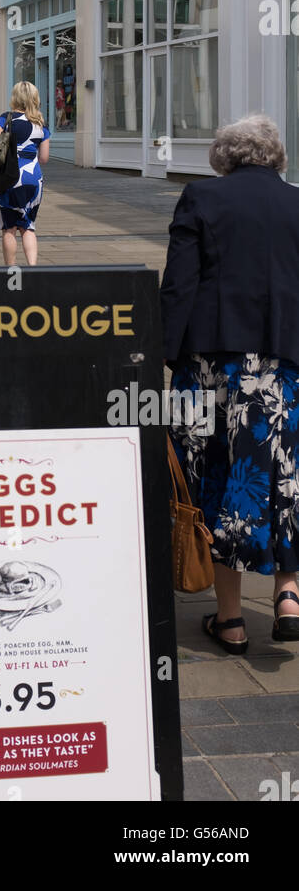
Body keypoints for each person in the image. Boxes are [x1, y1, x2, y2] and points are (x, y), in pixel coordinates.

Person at [160, 114, 299, 653]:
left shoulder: (201, 199)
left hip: (211, 368)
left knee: (217, 481)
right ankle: (288, 595)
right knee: (283, 472)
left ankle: (232, 620)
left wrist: (164, 356)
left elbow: (179, 286)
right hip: (284, 365)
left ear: (225, 156)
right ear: (276, 156)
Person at [0, 81, 50, 267]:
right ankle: (32, 268)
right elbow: (44, 158)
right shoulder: (40, 124)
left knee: (9, 227)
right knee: (28, 226)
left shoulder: (6, 119)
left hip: (10, 177)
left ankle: (12, 270)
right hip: (34, 179)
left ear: (15, 97)